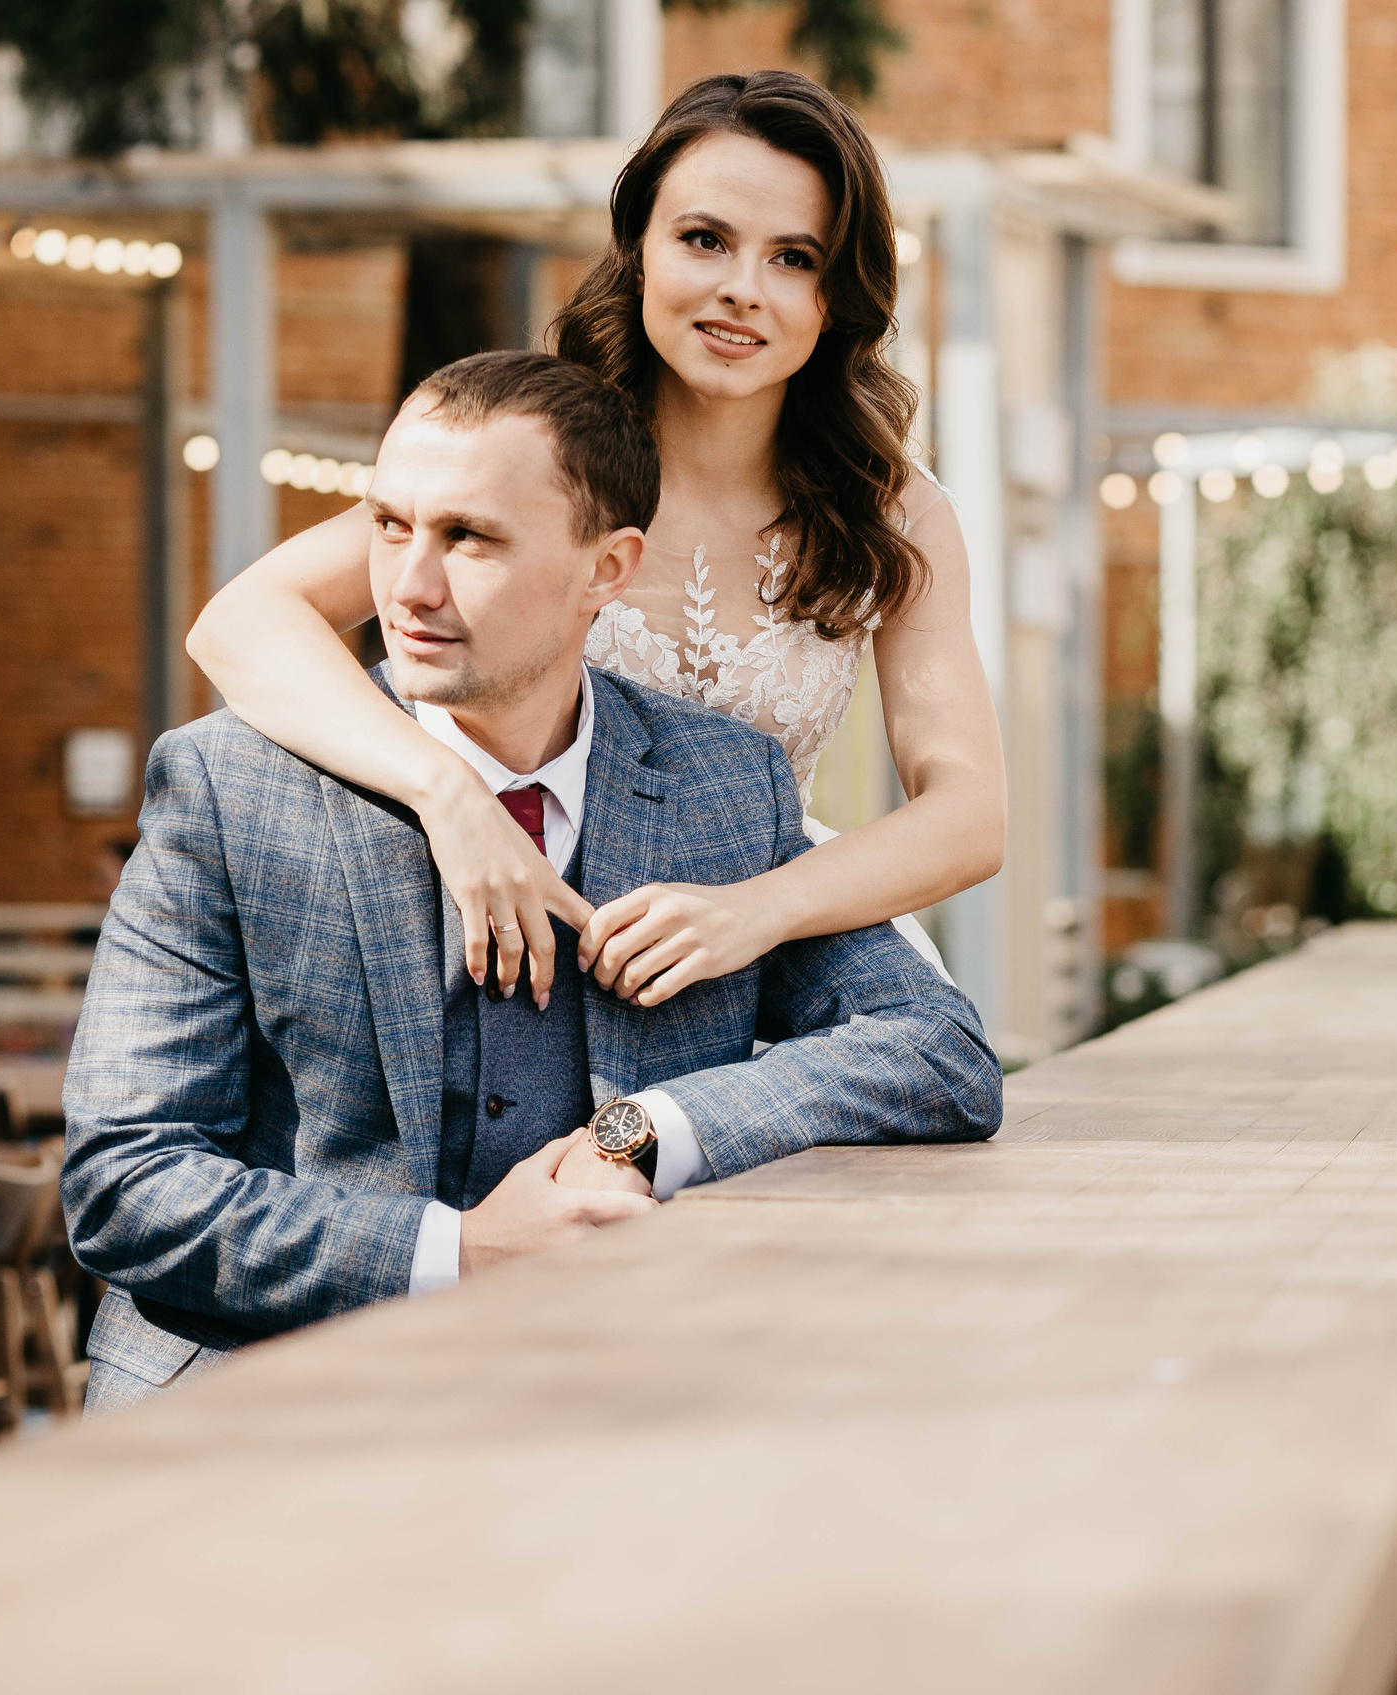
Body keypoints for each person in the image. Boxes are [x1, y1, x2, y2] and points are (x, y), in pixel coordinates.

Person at [63, 351, 1001, 1412]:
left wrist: (640, 1135)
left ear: (607, 571)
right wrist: (455, 1251)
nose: (407, 587)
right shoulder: (228, 787)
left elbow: (937, 1051)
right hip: (259, 1400)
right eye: (386, 526)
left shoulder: (716, 786)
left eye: (468, 539)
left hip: (597, 1402)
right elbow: (124, 1186)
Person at [186, 70, 1001, 1013]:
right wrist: (446, 793)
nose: (742, 290)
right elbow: (239, 624)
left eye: (794, 258)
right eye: (705, 240)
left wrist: (755, 910)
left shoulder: (891, 509)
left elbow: (970, 813)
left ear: (837, 295)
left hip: (769, 937)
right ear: (640, 251)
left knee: (921, 1068)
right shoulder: (531, 455)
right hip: (528, 926)